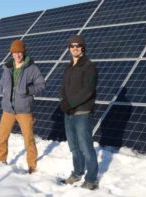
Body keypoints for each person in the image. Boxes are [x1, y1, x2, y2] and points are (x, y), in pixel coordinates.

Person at [0, 39, 45, 174]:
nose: (18, 55)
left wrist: (28, 91)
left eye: (20, 52)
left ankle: (32, 166)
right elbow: (1, 84)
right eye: (15, 52)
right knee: (2, 137)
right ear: (11, 53)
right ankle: (0, 160)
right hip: (8, 109)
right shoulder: (7, 68)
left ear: (24, 53)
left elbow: (41, 85)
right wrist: (4, 92)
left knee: (28, 138)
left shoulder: (32, 68)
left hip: (24, 110)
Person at [60, 35, 99, 190]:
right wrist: (63, 102)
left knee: (86, 147)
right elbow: (63, 87)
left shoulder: (89, 66)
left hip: (82, 112)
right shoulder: (69, 67)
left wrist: (70, 103)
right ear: (69, 49)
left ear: (83, 47)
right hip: (68, 113)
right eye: (72, 46)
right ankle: (77, 173)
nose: (74, 48)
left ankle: (91, 180)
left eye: (78, 45)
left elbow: (88, 91)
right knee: (74, 147)